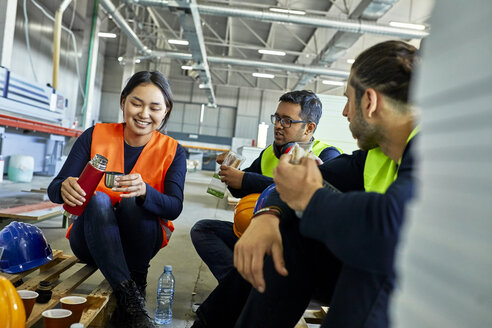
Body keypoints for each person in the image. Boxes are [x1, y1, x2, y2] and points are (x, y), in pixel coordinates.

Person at [192, 40, 419, 328]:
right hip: (376, 268)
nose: (345, 112)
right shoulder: (373, 157)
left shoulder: (434, 152)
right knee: (280, 240)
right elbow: (293, 184)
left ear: (370, 102)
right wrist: (267, 216)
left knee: (364, 272)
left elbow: (390, 224)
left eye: (349, 100)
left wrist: (310, 198)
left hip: (412, 291)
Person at [48, 71, 186, 328]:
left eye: (155, 107)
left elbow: (174, 206)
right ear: (123, 102)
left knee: (133, 202)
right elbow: (54, 188)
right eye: (136, 103)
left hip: (141, 240)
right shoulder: (94, 135)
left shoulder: (173, 151)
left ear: (165, 112)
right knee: (99, 200)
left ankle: (128, 294)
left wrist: (146, 191)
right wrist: (63, 188)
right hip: (90, 238)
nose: (144, 114)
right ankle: (132, 296)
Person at [190, 90, 341, 283]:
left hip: (293, 244)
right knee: (204, 230)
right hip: (258, 233)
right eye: (277, 118)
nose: (278, 125)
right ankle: (239, 286)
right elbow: (242, 188)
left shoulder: (328, 156)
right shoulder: (270, 152)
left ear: (309, 128)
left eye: (287, 120)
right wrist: (231, 171)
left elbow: (310, 192)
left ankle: (237, 290)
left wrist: (245, 179)